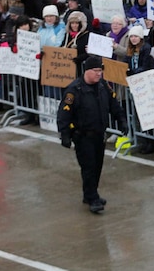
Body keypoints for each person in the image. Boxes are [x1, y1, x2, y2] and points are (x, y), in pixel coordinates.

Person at [57, 56, 129, 214]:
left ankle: (89, 194)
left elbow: (113, 104)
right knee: (88, 167)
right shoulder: (74, 90)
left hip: (99, 134)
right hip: (83, 136)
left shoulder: (103, 86)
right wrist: (65, 135)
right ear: (87, 71)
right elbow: (64, 114)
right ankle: (93, 197)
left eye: (100, 71)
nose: (99, 74)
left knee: (97, 166)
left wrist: (122, 120)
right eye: (96, 71)